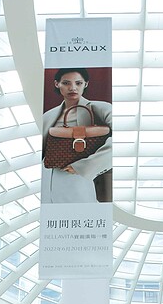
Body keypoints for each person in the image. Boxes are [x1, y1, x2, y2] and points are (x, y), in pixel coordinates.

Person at [41, 68, 112, 203]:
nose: (72, 88)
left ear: (86, 84)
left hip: (78, 178)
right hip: (47, 178)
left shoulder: (101, 108)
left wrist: (85, 166)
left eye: (78, 83)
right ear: (57, 84)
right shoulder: (48, 116)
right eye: (66, 83)